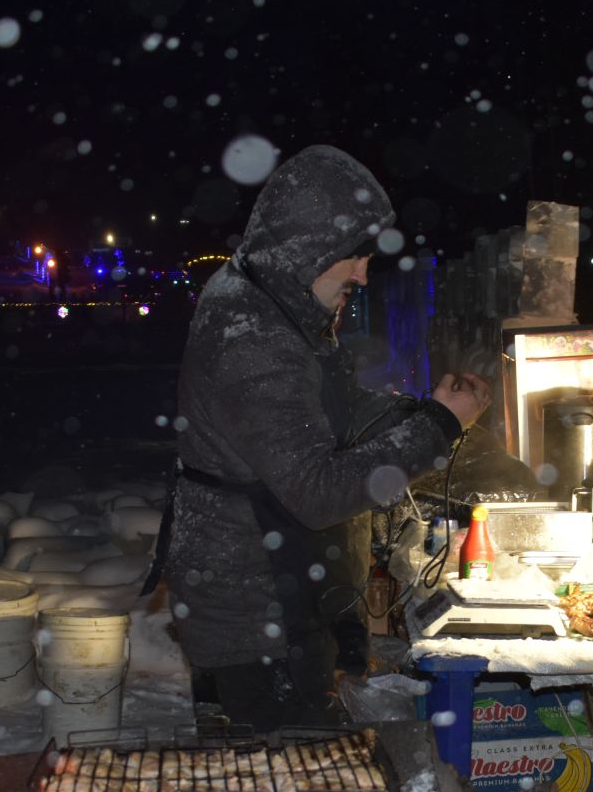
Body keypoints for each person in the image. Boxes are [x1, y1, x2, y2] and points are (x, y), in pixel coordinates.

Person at [163, 144, 491, 730]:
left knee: (279, 752)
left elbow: (324, 410)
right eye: (353, 257)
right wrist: (439, 426)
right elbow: (316, 491)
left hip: (269, 578)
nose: (364, 275)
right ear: (310, 247)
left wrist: (422, 413)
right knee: (283, 763)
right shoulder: (254, 335)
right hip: (253, 601)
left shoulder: (272, 297)